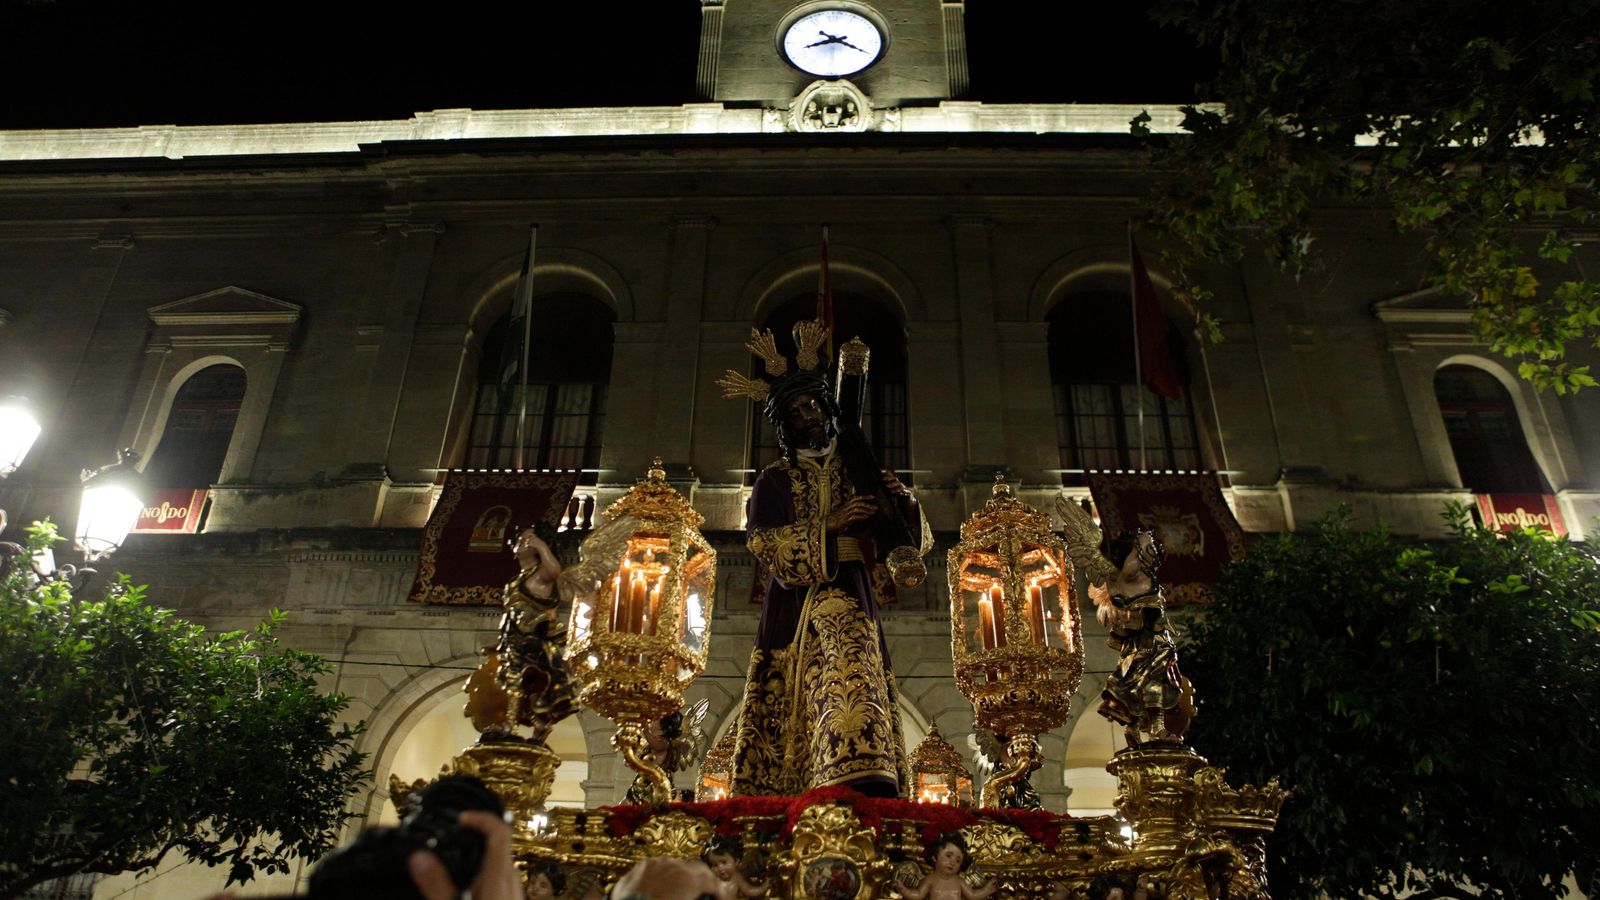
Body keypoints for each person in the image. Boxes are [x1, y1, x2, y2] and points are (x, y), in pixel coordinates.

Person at [730, 371, 922, 798]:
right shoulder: (774, 479)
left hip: (852, 588)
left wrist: (902, 501)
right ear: (786, 425)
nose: (807, 416)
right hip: (793, 601)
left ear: (826, 407)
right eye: (796, 413)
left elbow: (897, 534)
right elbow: (761, 540)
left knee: (857, 670)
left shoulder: (857, 467)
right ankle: (791, 782)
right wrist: (828, 525)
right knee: (799, 684)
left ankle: (866, 768)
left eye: (812, 405)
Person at [469, 525, 579, 745]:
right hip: (514, 640)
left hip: (532, 642)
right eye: (519, 539)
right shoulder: (518, 579)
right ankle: (537, 724)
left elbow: (555, 571)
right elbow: (511, 617)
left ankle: (511, 724)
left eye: (525, 538)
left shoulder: (540, 576)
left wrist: (539, 544)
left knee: (517, 683)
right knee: (515, 686)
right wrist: (500, 643)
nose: (519, 542)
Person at [895, 833, 995, 900]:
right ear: (935, 857)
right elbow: (919, 894)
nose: (952, 862)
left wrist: (986, 890)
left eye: (958, 860)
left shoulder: (959, 881)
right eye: (948, 856)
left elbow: (972, 895)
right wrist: (904, 890)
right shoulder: (931, 879)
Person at [702, 835, 767, 899]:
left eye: (724, 862)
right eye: (715, 865)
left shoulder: (737, 878)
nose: (720, 868)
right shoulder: (714, 880)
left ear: (736, 861)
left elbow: (748, 890)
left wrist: (762, 888)